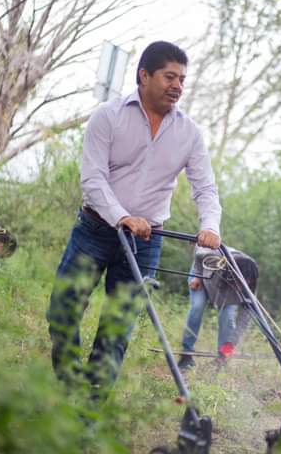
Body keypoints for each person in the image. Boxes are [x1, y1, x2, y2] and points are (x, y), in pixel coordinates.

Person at [46, 41, 222, 403]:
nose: (178, 86)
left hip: (146, 242)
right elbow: (93, 179)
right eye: (169, 76)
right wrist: (122, 217)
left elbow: (205, 187)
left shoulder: (188, 132)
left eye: (182, 79)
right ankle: (70, 387)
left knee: (117, 329)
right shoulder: (108, 116)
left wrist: (211, 226)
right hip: (95, 230)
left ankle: (89, 409)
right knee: (62, 314)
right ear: (144, 75)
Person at [178, 246, 259, 370]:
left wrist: (230, 345)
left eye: (245, 283)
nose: (241, 286)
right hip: (204, 279)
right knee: (197, 308)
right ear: (232, 274)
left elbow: (244, 321)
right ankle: (186, 354)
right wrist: (198, 275)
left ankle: (221, 359)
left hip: (226, 294)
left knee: (227, 317)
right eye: (238, 282)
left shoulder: (249, 284)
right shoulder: (216, 257)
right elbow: (199, 251)